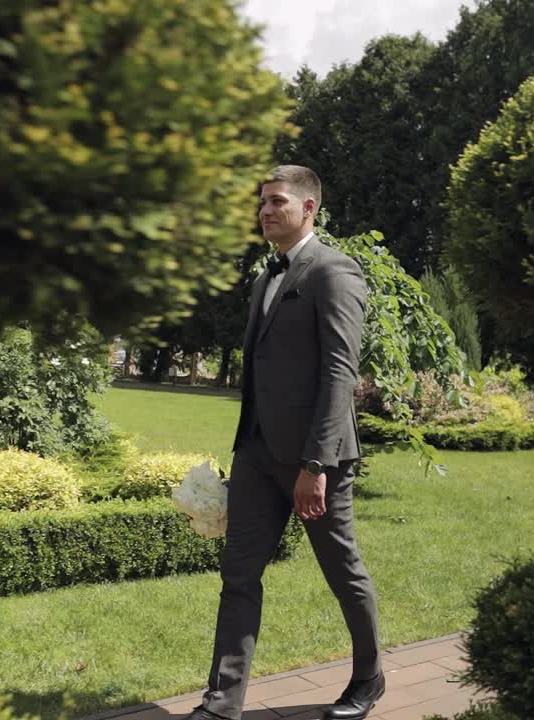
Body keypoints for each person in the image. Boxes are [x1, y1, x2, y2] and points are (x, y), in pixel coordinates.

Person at [187, 166, 383, 720]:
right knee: (239, 575)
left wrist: (315, 463)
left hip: (313, 460)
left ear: (309, 208)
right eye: (262, 203)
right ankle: (221, 703)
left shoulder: (334, 271)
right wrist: (245, 445)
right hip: (255, 453)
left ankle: (369, 678)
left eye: (277, 202)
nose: (266, 211)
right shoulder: (265, 276)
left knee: (342, 571)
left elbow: (340, 373)